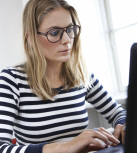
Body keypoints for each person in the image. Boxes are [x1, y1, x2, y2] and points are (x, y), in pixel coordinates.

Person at [0, 0, 126, 153]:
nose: (67, 40)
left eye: (70, 29)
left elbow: (118, 113)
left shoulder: (81, 75)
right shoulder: (12, 80)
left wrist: (124, 126)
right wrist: (65, 147)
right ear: (31, 38)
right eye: (54, 32)